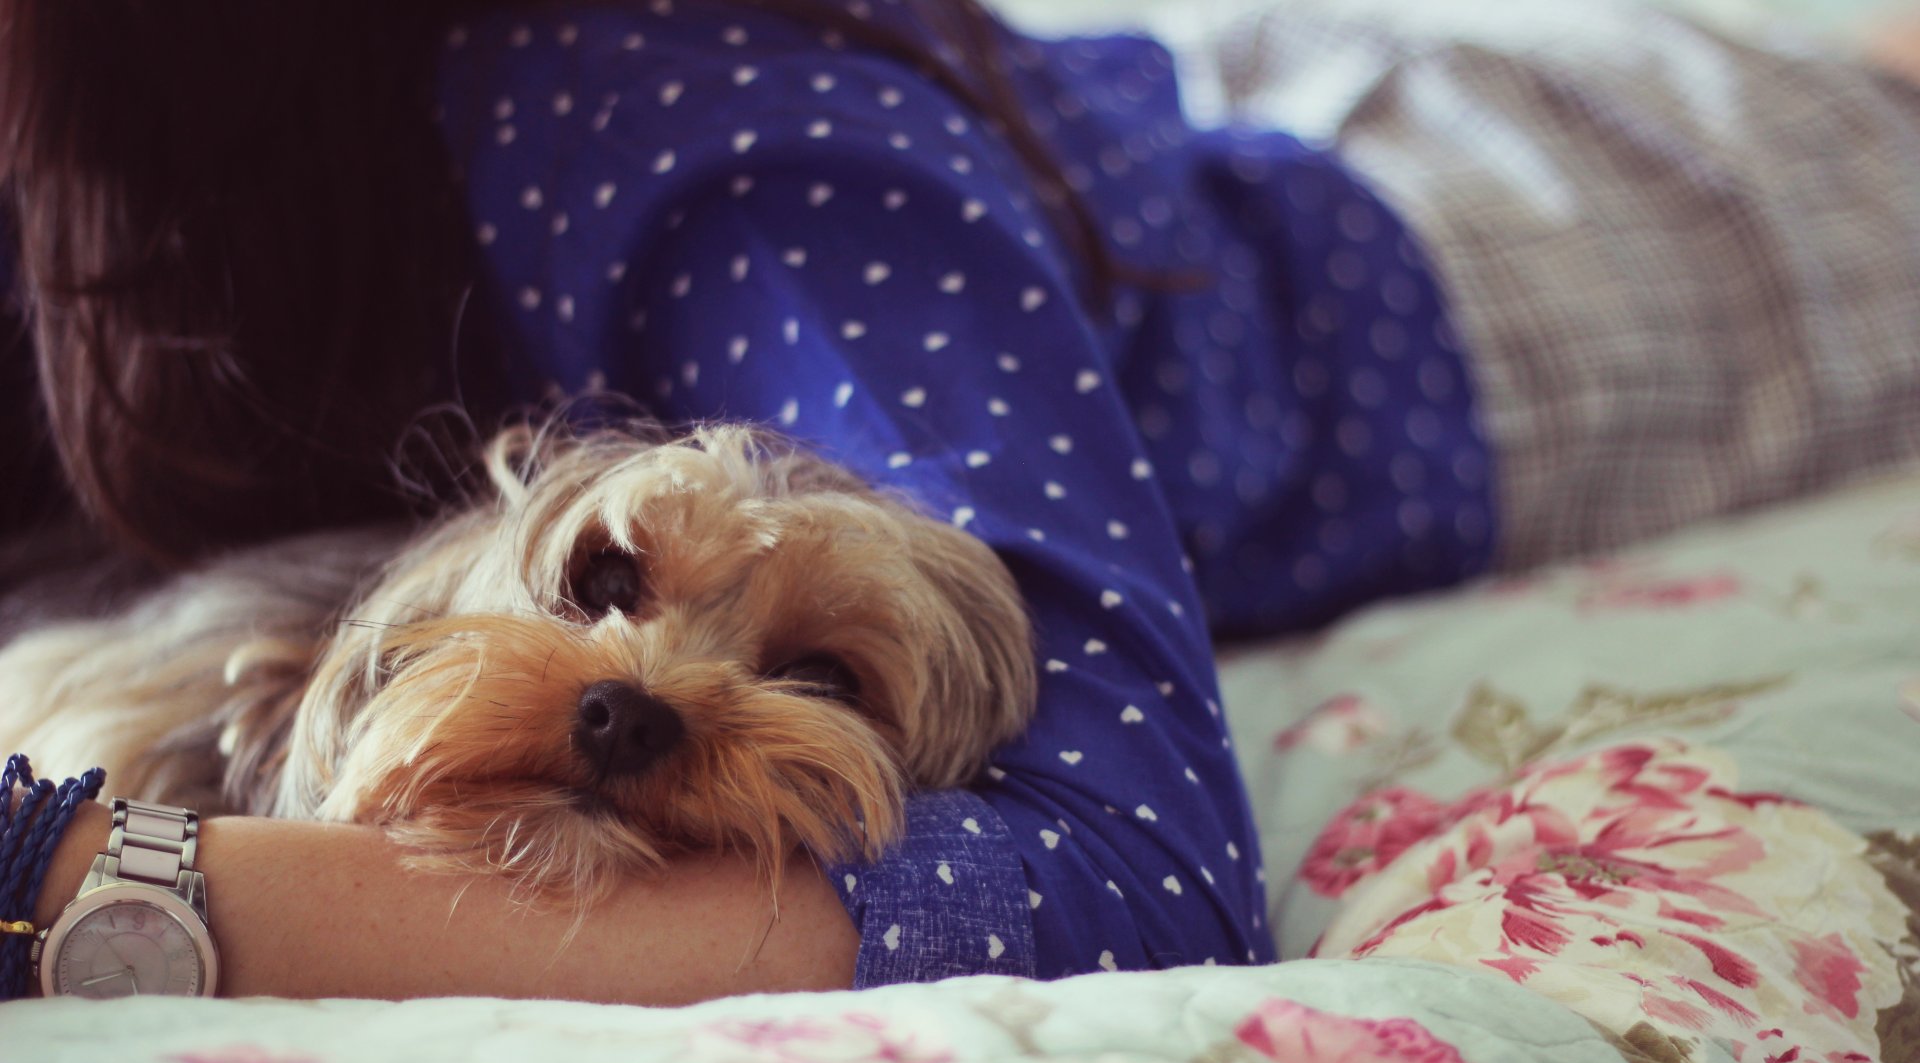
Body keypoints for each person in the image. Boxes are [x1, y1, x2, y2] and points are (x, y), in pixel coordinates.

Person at [4, 0, 1918, 1004]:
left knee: (1867, 118)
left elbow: (1136, 882)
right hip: (1128, 111)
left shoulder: (710, 131)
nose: (627, 685)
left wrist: (78, 885)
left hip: (1441, 266)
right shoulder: (132, 165)